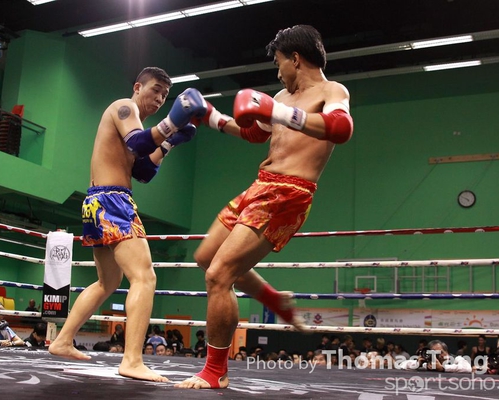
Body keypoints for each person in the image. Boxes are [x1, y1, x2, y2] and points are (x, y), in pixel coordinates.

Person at [177, 25, 353, 390]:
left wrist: (281, 112)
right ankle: (275, 299)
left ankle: (215, 371)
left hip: (290, 192)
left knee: (219, 276)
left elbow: (341, 128)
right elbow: (255, 133)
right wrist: (211, 116)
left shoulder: (332, 91)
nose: (278, 73)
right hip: (260, 185)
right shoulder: (281, 97)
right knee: (206, 257)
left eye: (278, 63)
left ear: (295, 59)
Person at [48, 66, 207, 383]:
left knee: (107, 282)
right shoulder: (124, 107)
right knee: (145, 277)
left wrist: (171, 142)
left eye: (165, 94)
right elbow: (138, 143)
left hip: (99, 202)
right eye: (155, 89)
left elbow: (143, 171)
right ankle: (132, 360)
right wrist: (172, 124)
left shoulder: (138, 123)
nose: (160, 98)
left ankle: (62, 340)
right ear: (138, 87)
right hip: (112, 201)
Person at [400, 339, 472, 373]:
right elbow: (402, 365)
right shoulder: (427, 362)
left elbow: (468, 368)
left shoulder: (455, 359)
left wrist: (443, 368)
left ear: (446, 352)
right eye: (434, 353)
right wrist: (417, 364)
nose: (438, 355)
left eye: (440, 352)